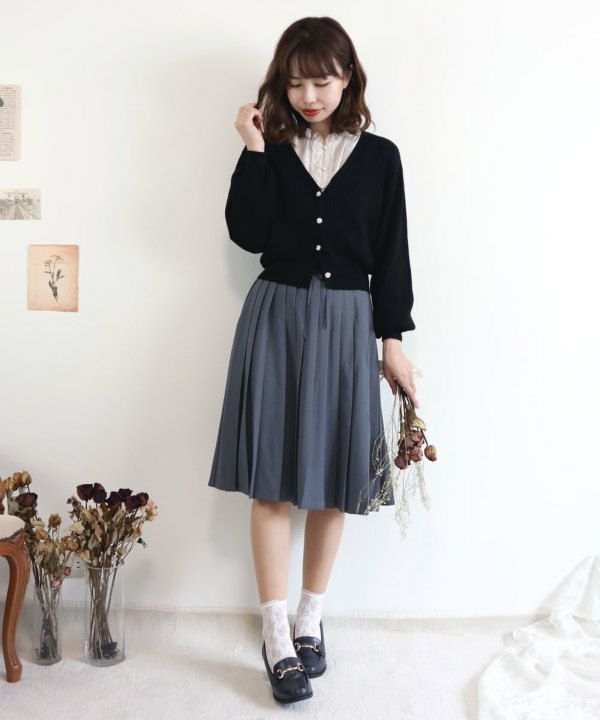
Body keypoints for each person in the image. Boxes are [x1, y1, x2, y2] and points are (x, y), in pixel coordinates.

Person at [208, 16, 419, 704]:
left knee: (334, 479)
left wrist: (393, 341)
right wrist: (252, 150)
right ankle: (275, 633)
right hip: (277, 319)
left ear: (348, 77)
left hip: (349, 324)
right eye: (296, 83)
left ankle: (309, 619)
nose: (308, 96)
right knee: (271, 481)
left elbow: (391, 254)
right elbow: (246, 234)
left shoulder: (381, 157)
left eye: (322, 81)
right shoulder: (271, 148)